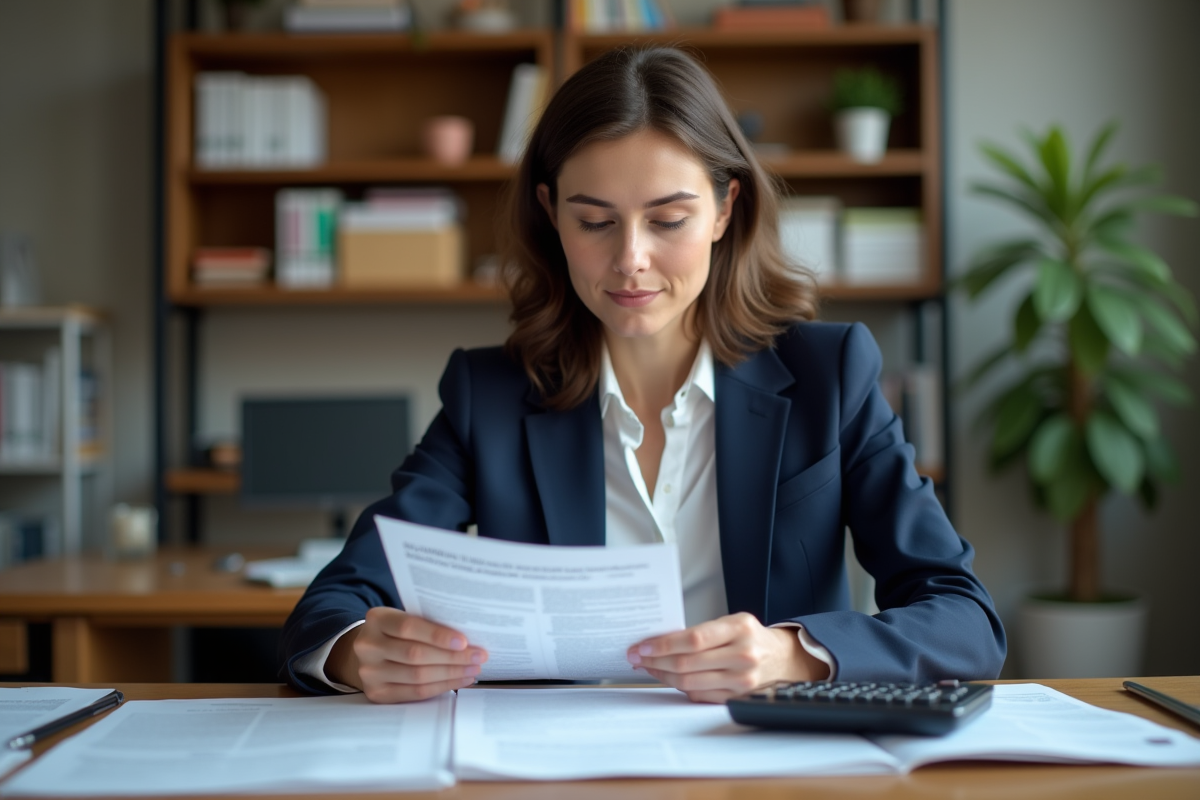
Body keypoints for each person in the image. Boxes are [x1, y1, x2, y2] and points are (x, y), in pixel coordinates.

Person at [281, 46, 1006, 704]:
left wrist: (792, 653)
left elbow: (965, 619)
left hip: (771, 767)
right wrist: (352, 654)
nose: (630, 259)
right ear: (552, 215)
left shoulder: (830, 373)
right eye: (595, 222)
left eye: (668, 220)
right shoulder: (490, 395)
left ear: (726, 209)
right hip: (551, 771)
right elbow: (335, 601)